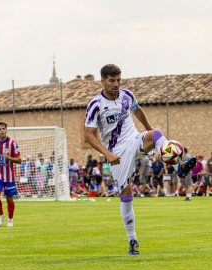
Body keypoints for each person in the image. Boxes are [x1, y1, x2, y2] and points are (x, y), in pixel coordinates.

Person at [84, 64, 196, 255]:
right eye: (112, 80)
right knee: (126, 196)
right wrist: (107, 154)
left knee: (156, 134)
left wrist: (149, 129)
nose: (116, 84)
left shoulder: (127, 95)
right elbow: (89, 134)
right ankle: (132, 241)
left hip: (133, 140)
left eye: (118, 80)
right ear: (102, 81)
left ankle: (179, 164)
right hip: (117, 153)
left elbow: (138, 110)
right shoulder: (96, 105)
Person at [0, 121, 21, 227]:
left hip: (9, 175)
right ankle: (1, 215)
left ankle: (10, 219)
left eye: (4, 129)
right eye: (0, 129)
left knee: (9, 199)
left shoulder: (12, 143)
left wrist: (8, 158)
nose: (2, 131)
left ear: (6, 130)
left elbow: (19, 160)